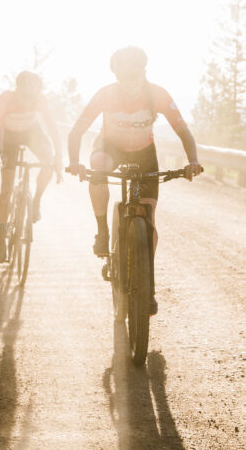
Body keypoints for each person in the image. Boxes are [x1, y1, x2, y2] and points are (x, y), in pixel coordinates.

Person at [66, 46, 203, 314]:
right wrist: (74, 161)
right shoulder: (105, 94)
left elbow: (183, 130)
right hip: (109, 148)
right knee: (98, 167)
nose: (130, 82)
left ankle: (147, 286)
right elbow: (76, 131)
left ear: (144, 72)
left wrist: (193, 161)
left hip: (144, 154)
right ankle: (102, 231)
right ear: (116, 75)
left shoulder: (158, 94)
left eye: (135, 76)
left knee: (148, 221)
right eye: (124, 77)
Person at [0, 71, 63, 262]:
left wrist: (58, 156)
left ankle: (36, 201)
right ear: (17, 89)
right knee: (6, 189)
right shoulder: (5, 99)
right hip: (9, 137)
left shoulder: (40, 100)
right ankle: (1, 239)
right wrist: (2, 152)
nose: (28, 100)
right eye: (25, 95)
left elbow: (52, 128)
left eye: (32, 96)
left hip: (31, 133)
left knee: (48, 160)